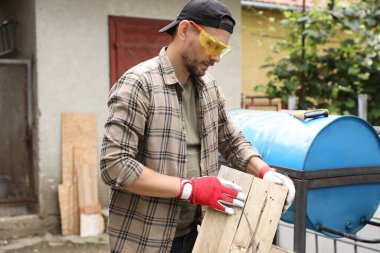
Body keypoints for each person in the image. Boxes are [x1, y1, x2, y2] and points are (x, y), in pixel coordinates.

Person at [100, 0, 295, 252]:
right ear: (184, 30)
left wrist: (266, 173)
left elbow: (231, 140)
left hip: (196, 236)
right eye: (211, 44)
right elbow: (115, 166)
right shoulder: (139, 84)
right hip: (145, 239)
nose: (216, 57)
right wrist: (190, 189)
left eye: (222, 49)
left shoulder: (208, 87)